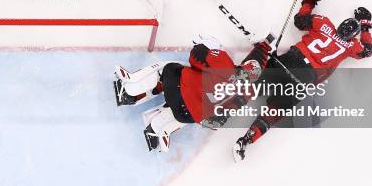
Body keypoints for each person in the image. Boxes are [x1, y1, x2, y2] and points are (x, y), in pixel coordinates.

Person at [233, 0, 372, 161]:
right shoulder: (352, 46)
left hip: (291, 60)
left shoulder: (323, 22)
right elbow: (368, 50)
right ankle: (246, 140)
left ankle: (222, 106)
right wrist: (365, 25)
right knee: (276, 109)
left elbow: (299, 20)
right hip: (305, 78)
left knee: (253, 86)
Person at [113, 35, 272, 152]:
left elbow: (194, 58)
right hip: (186, 115)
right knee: (196, 110)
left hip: (176, 89)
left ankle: (130, 90)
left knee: (170, 68)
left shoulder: (224, 63)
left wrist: (206, 45)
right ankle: (158, 130)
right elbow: (217, 123)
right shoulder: (246, 95)